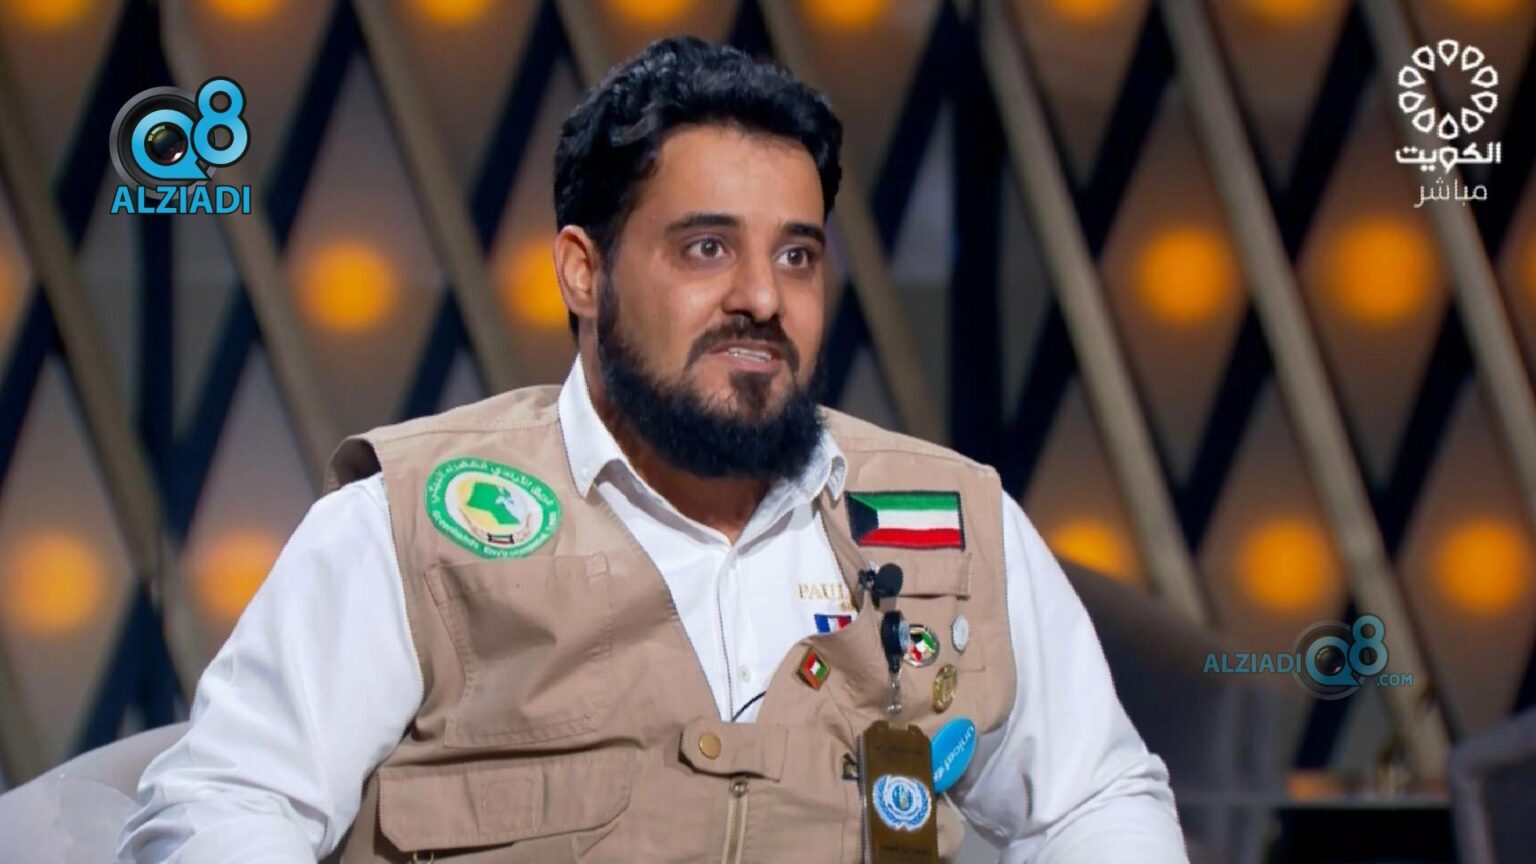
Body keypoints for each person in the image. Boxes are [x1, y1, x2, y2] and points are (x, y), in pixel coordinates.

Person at [120, 36, 1187, 863]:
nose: (762, 297)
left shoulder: (955, 517)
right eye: (707, 248)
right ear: (583, 272)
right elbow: (228, 804)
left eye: (798, 257)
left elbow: (1095, 799)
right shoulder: (409, 522)